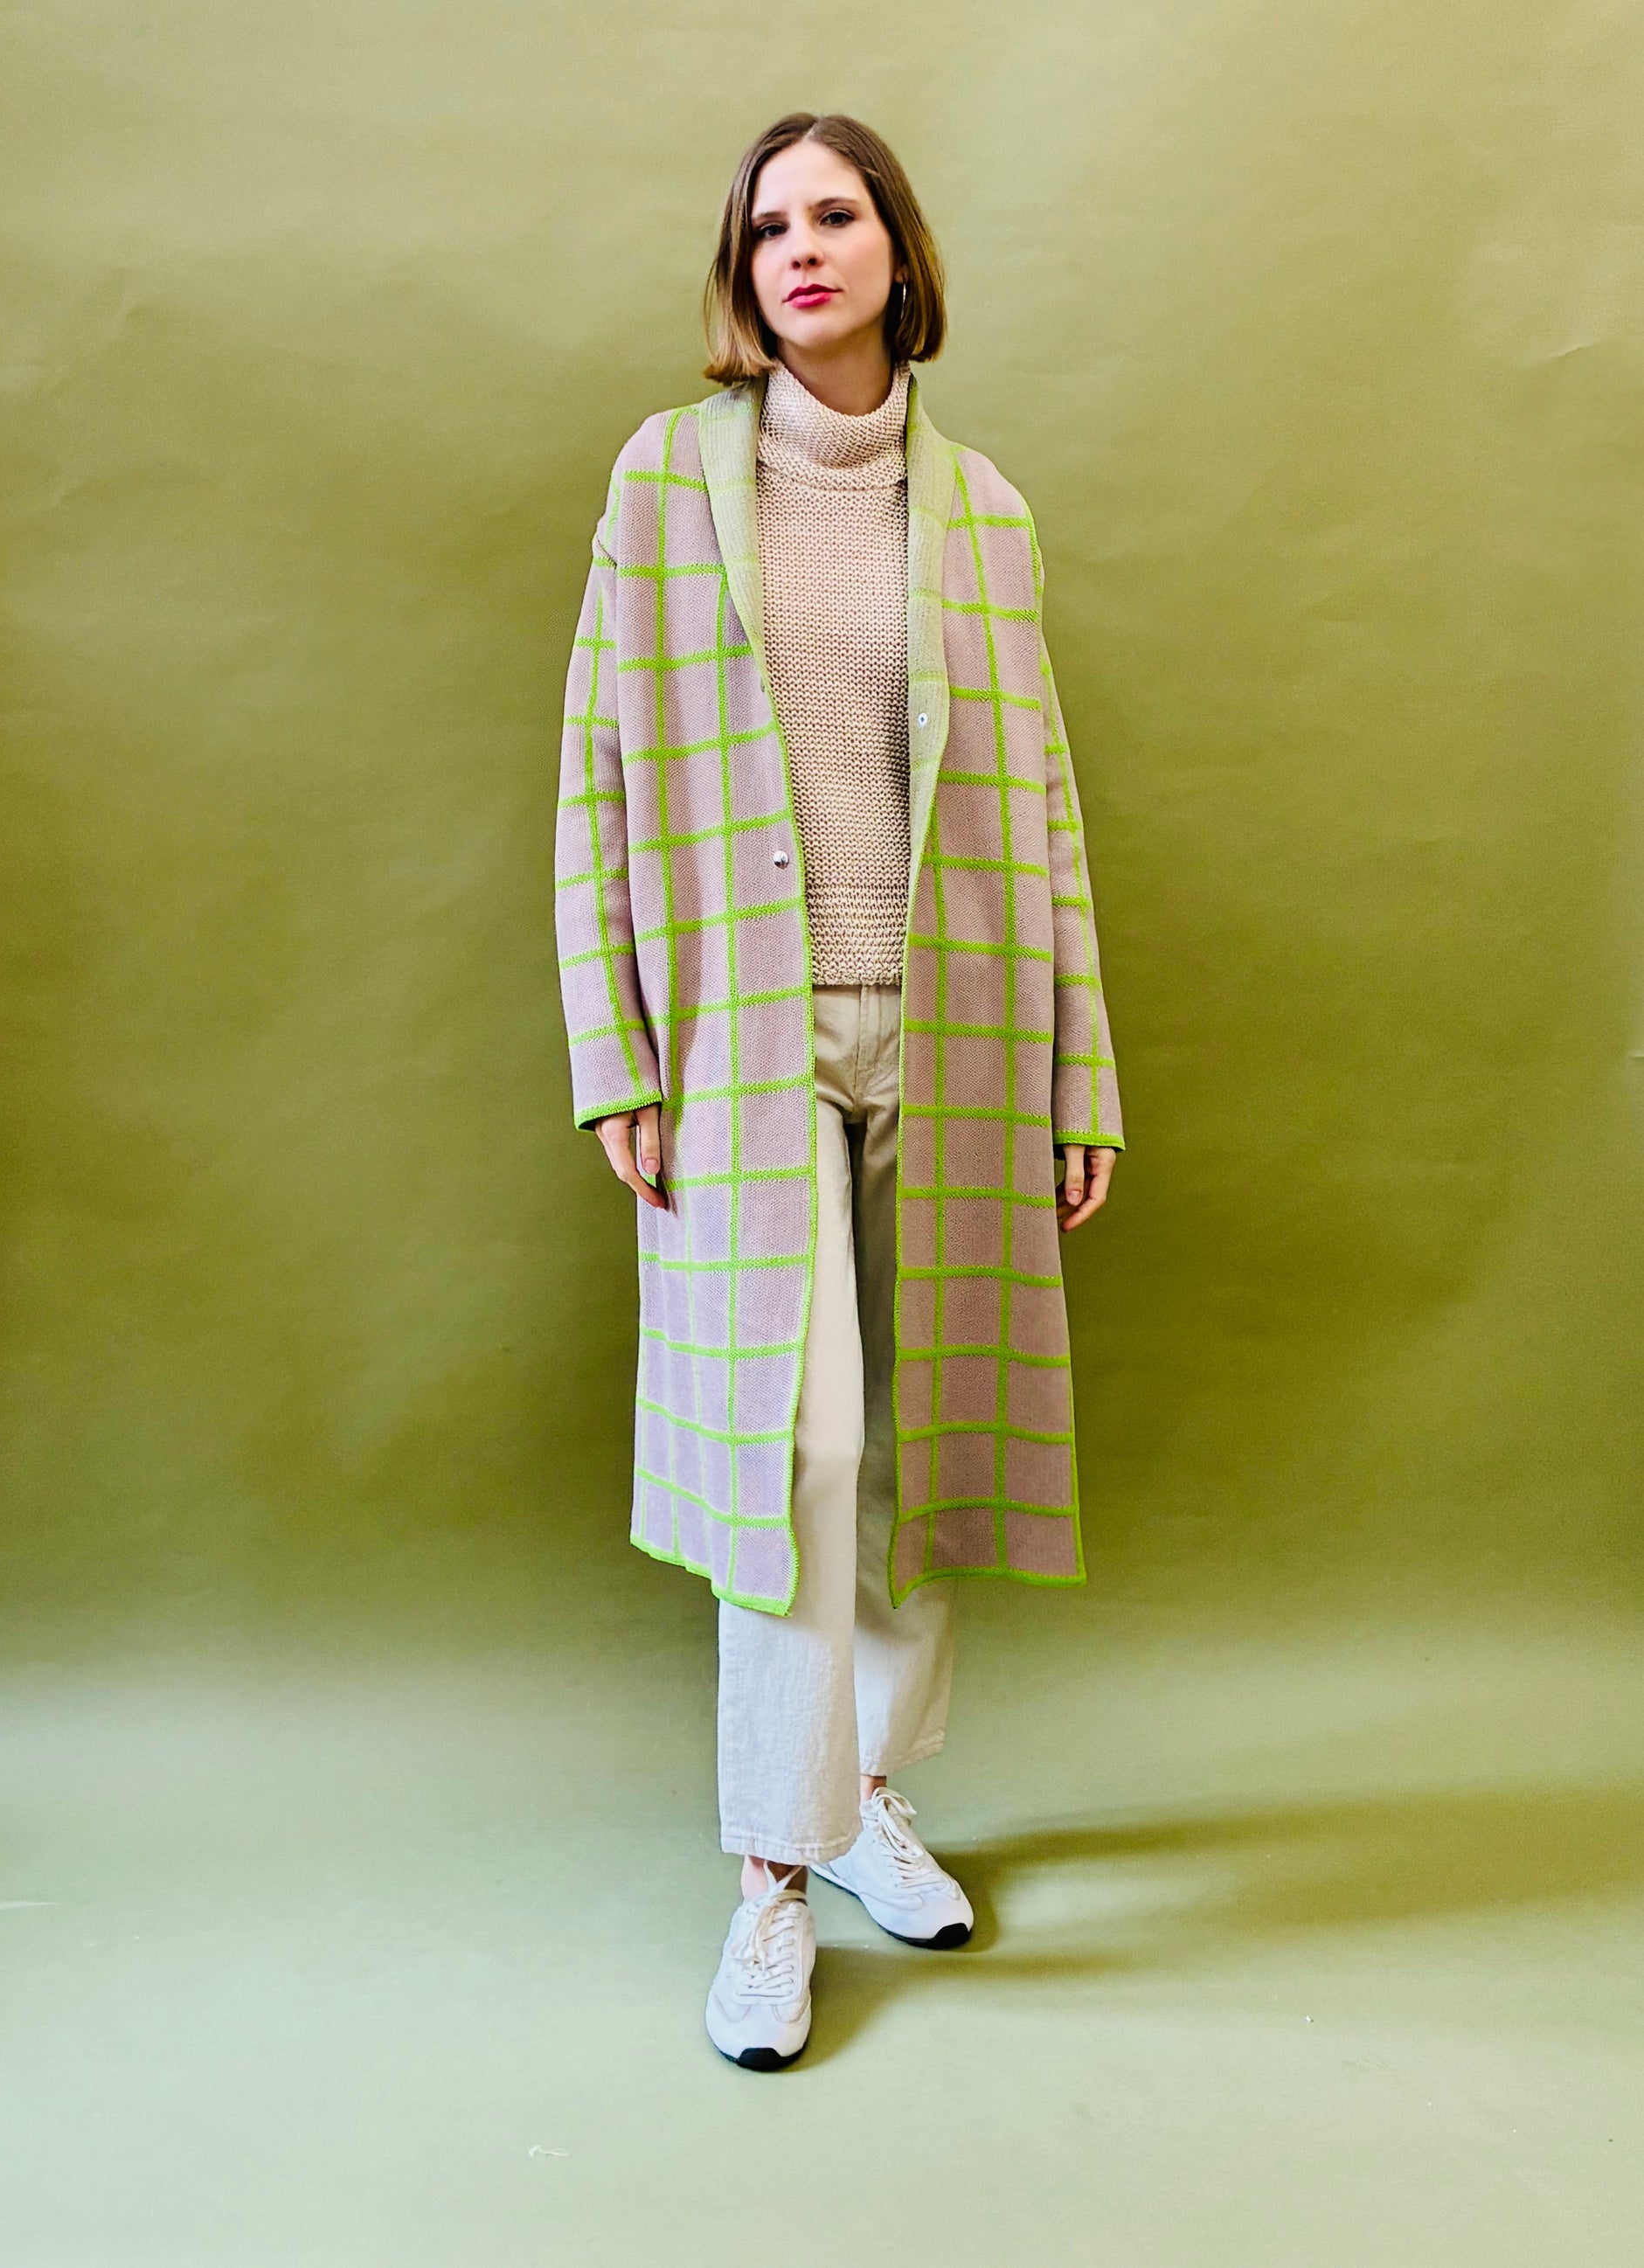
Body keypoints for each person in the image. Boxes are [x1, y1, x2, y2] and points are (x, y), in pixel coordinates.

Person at [553, 112, 1122, 2070]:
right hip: (745, 1035)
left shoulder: (984, 512)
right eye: (767, 225)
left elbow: (1042, 805)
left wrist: (1079, 1070)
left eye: (835, 214)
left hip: (954, 1022)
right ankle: (769, 1878)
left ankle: (869, 1794)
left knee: (911, 1447)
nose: (799, 247)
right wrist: (616, 1054)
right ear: (744, 271)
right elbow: (595, 776)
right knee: (792, 1453)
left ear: (895, 248)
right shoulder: (665, 478)